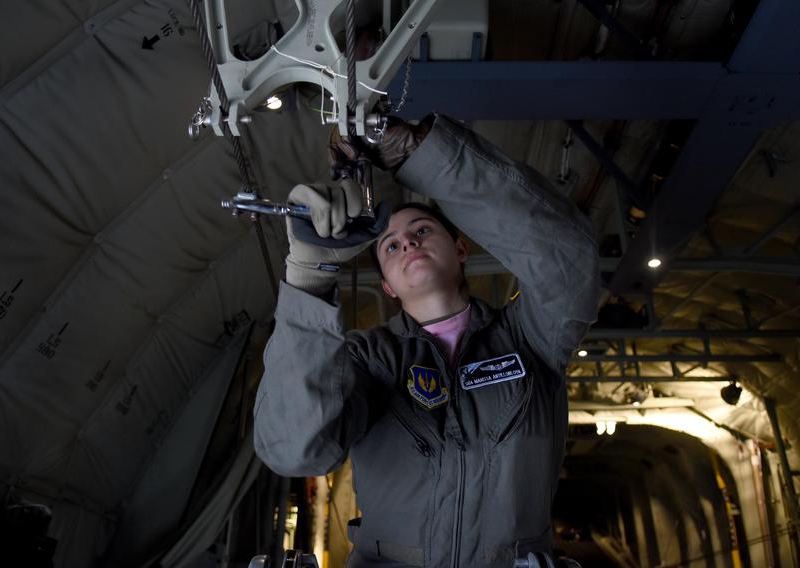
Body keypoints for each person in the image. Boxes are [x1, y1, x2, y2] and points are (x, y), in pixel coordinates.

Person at [252, 114, 600, 567]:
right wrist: (308, 276)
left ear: (460, 250)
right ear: (389, 288)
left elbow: (567, 260)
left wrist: (417, 153)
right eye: (390, 246)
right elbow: (294, 450)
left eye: (422, 231)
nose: (408, 244)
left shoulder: (531, 338)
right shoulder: (366, 358)